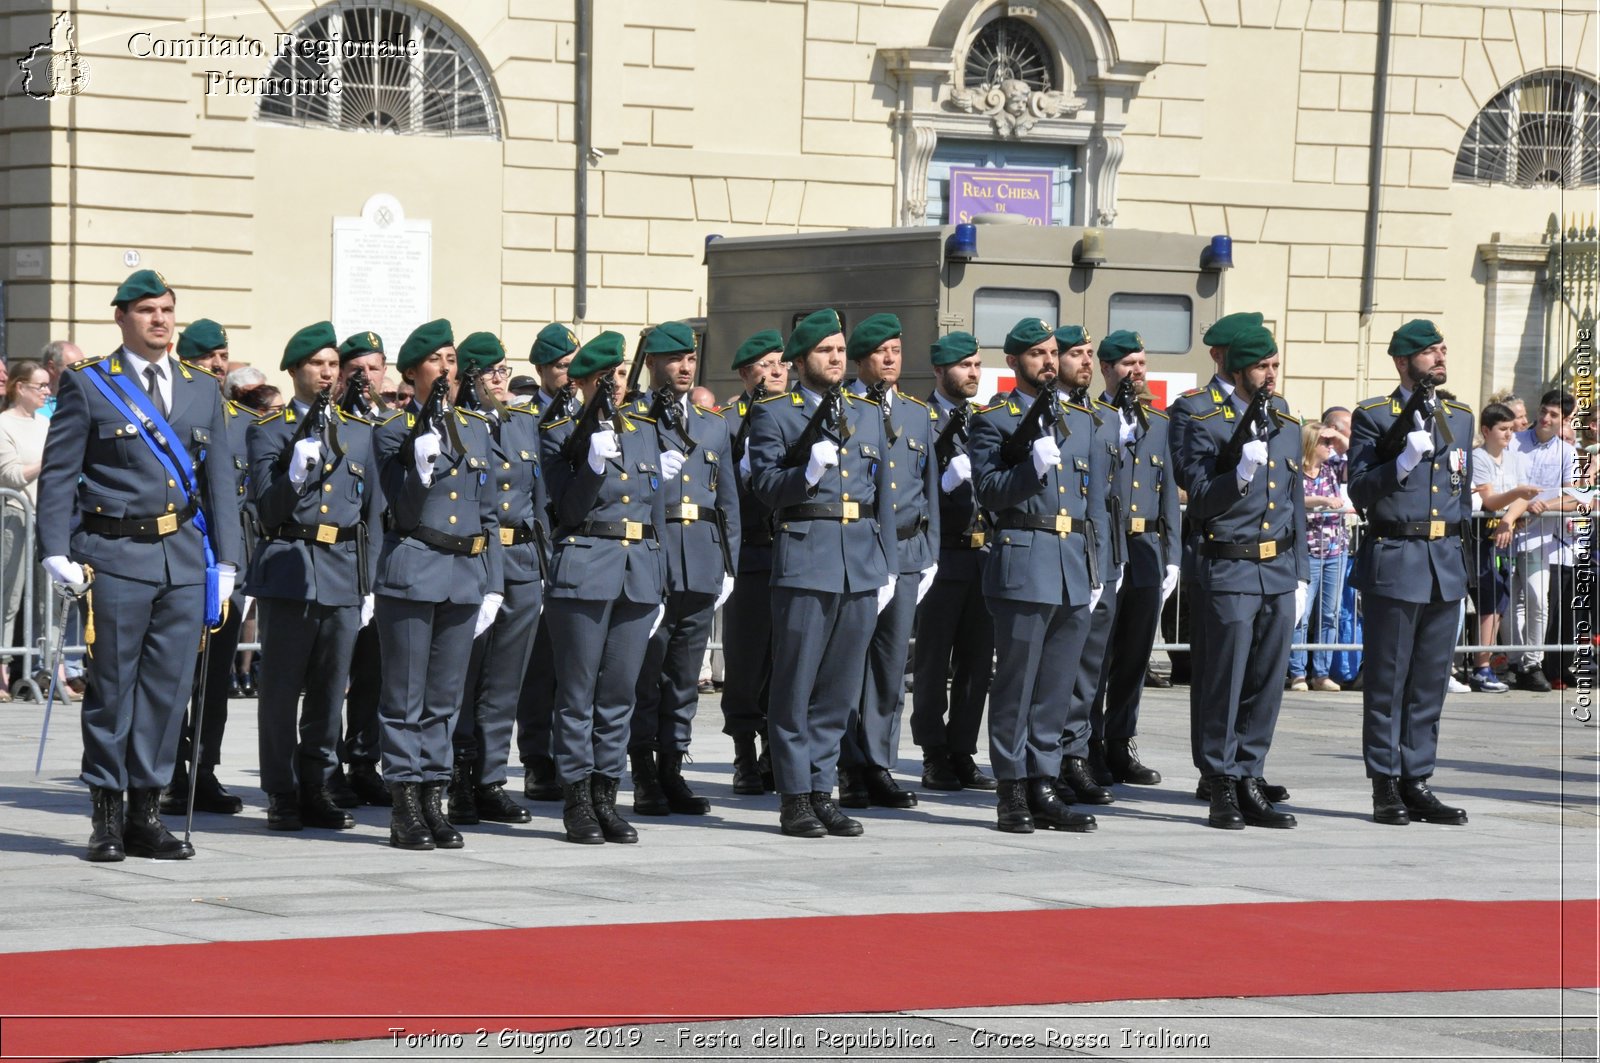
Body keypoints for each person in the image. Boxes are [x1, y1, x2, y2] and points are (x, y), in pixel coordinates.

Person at [36, 269, 242, 862]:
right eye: (148, 310)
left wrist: (226, 560)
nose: (161, 320)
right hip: (116, 555)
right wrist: (55, 548)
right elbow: (59, 471)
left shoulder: (200, 387)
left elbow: (219, 479)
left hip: (181, 560)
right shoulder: (91, 383)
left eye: (168, 310)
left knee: (166, 691)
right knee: (112, 690)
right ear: (122, 317)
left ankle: (147, 814)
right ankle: (106, 813)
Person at [746, 308, 895, 838]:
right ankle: (793, 796)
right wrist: (804, 474)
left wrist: (888, 564)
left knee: (838, 688)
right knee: (795, 685)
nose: (834, 358)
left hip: (859, 560)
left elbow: (884, 497)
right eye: (824, 351)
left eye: (839, 349)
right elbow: (763, 486)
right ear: (801, 359)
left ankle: (821, 789)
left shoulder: (869, 412)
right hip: (806, 556)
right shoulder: (775, 414)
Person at [967, 317, 1109, 834]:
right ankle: (1011, 787)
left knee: (1056, 685)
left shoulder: (1080, 418)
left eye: (1053, 353)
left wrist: (1097, 565)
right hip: (1024, 558)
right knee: (1016, 683)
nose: (1049, 361)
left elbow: (1094, 502)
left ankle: (1044, 781)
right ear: (1013, 362)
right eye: (1037, 354)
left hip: (1073, 560)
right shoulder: (995, 419)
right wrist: (1031, 469)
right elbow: (990, 491)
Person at [372, 319, 504, 850]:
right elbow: (397, 513)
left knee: (446, 698)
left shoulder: (475, 428)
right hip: (413, 567)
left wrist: (492, 582)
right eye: (436, 361)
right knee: (405, 695)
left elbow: (489, 513)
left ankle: (434, 796)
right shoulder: (390, 432)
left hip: (463, 575)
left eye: (451, 360)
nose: (447, 370)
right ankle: (405, 802)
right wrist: (418, 469)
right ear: (412, 374)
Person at [246, 321, 381, 832]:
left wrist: (370, 584)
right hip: (291, 564)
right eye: (315, 365)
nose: (325, 373)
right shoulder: (270, 431)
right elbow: (266, 509)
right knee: (281, 690)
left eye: (331, 365)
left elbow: (372, 514)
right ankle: (281, 789)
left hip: (343, 570)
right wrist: (295, 475)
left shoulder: (359, 433)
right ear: (294, 370)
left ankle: (318, 783)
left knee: (329, 691)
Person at [1178, 323, 1307, 830]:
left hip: (1276, 568)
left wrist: (1298, 573)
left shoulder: (1284, 418)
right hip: (1228, 563)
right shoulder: (1196, 415)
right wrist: (1240, 477)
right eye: (1262, 366)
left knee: (1266, 681)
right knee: (1222, 679)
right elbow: (1200, 497)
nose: (1272, 374)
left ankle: (1250, 772)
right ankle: (1220, 780)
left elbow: (1292, 503)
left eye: (1275, 365)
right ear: (1234, 367)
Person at [1348, 319, 1476, 826]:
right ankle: (1385, 782)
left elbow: (1460, 491)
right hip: (1398, 556)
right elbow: (1359, 489)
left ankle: (1417, 778)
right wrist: (1399, 465)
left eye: (1443, 349)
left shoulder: (1460, 416)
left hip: (1444, 561)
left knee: (1429, 682)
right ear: (1403, 362)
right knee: (1388, 680)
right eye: (1429, 352)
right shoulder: (1376, 417)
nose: (1440, 357)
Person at [540, 331, 667, 844]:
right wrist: (591, 465)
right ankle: (576, 799)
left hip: (638, 572)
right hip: (586, 566)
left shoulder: (641, 429)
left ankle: (606, 796)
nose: (614, 386)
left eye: (618, 376)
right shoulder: (557, 430)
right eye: (604, 379)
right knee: (578, 694)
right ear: (583, 383)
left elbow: (653, 508)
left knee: (618, 695)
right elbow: (566, 511)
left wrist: (661, 578)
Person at [624, 322, 740, 816]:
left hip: (702, 559)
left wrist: (728, 562)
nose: (685, 367)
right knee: (646, 672)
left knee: (684, 675)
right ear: (651, 364)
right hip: (656, 556)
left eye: (690, 358)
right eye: (674, 359)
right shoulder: (633, 419)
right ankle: (644, 772)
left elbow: (728, 498)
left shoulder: (712, 424)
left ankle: (673, 766)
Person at [837, 313, 938, 811]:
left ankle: (880, 763)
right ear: (862, 359)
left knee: (890, 665)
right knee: (846, 663)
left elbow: (929, 488)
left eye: (897, 349)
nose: (891, 359)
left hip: (908, 552)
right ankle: (847, 764)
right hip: (860, 550)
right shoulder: (844, 408)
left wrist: (931, 550)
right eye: (882, 352)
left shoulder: (918, 414)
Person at [448, 331, 546, 827]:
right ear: (469, 378)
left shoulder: (524, 423)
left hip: (522, 562)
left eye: (505, 370)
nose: (501, 380)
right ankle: (458, 779)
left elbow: (540, 497)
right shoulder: (455, 425)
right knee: (463, 678)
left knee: (506, 680)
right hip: (475, 559)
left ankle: (489, 780)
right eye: (492, 373)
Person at [159, 318, 255, 817]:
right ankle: (169, 772)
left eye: (222, 355)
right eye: (206, 357)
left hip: (224, 567)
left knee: (214, 680)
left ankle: (204, 771)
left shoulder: (243, 420)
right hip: (179, 560)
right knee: (173, 675)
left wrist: (241, 561)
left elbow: (249, 497)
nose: (218, 365)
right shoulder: (169, 411)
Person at [1081, 330, 1178, 787]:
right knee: (1096, 657)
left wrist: (1172, 556)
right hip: (1107, 551)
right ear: (1106, 368)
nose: (1136, 372)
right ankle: (1089, 744)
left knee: (1135, 657)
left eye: (1141, 363)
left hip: (1146, 552)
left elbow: (1168, 496)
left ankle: (1122, 741)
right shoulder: (1092, 417)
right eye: (1127, 365)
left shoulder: (1157, 421)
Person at [910, 331, 997, 792]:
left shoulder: (984, 419)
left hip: (982, 553)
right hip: (940, 554)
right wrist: (940, 487)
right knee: (932, 660)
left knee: (977, 663)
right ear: (940, 371)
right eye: (964, 366)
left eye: (978, 365)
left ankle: (963, 749)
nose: (973, 373)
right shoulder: (919, 419)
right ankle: (933, 752)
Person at [1053, 324, 1124, 807]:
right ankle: (1045, 757)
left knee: (1089, 666)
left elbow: (1109, 494)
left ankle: (1075, 753)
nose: (1083, 361)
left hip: (1098, 552)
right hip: (1056, 552)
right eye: (1074, 353)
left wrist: (1107, 562)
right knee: (1054, 666)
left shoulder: (1105, 418)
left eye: (1087, 353)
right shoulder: (1039, 413)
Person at [719, 330, 788, 793]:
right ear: (747, 374)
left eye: (782, 362)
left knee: (786, 660)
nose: (778, 370)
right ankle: (744, 752)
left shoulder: (799, 414)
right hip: (750, 553)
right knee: (745, 661)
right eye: (766, 364)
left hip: (792, 552)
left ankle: (774, 754)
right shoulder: (726, 422)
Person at [516, 322, 580, 802]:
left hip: (587, 551)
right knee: (540, 667)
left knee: (576, 666)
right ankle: (538, 759)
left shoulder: (594, 414)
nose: (570, 374)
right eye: (561, 366)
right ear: (540, 370)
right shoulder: (526, 419)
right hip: (544, 549)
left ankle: (574, 758)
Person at [332, 329, 392, 807]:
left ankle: (364, 760)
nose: (365, 378)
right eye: (356, 369)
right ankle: (326, 763)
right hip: (339, 562)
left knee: (373, 673)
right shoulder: (328, 422)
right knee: (332, 673)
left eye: (373, 369)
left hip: (386, 564)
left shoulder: (394, 423)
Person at [1508, 389, 1580, 690]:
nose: (1545, 419)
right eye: (1544, 411)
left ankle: (1533, 661)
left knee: (1538, 599)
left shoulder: (1567, 453)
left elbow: (1576, 497)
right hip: (1506, 530)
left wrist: (1544, 506)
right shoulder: (1516, 441)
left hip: (1540, 537)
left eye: (1554, 415)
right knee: (1511, 602)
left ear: (1564, 420)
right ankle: (1514, 660)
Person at [1469, 402, 1539, 693]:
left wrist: (1508, 520)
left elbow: (1524, 497)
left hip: (1501, 536)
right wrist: (1515, 498)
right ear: (1486, 430)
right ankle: (1472, 664)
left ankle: (1483, 664)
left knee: (1497, 600)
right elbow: (1490, 500)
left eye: (1512, 429)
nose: (1509, 435)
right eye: (1503, 429)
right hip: (1476, 537)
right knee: (1481, 599)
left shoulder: (1514, 458)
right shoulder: (1479, 457)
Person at [1286, 421, 1351, 693]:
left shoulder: (1332, 468)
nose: (1330, 447)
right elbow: (1294, 497)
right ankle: (1297, 672)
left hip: (1335, 549)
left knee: (1331, 614)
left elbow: (1354, 455)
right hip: (1307, 552)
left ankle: (1321, 672)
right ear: (1311, 445)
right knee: (1302, 613)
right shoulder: (1295, 472)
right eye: (1325, 442)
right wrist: (1323, 501)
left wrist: (1337, 433)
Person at [0, 360, 51, 701]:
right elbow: (11, 476)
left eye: (48, 385)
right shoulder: (4, 424)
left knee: (47, 599)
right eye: (40, 386)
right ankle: (3, 667)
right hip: (15, 516)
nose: (47, 391)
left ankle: (44, 668)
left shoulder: (47, 423)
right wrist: (50, 460)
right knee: (9, 597)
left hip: (44, 516)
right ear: (20, 387)